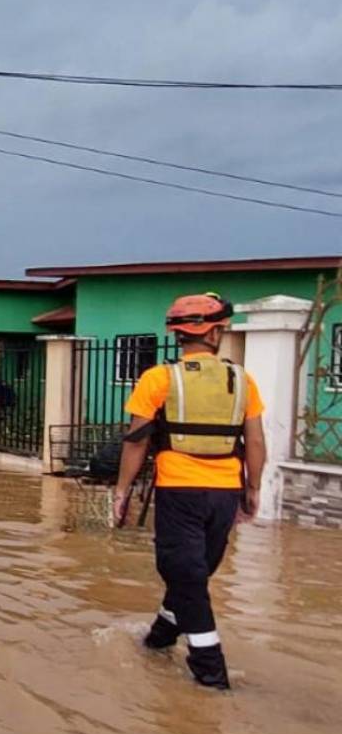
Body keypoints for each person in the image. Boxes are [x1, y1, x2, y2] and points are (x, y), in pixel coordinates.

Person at [113, 293, 266, 690]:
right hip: (225, 491)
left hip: (179, 490)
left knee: (186, 575)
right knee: (194, 575)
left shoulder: (159, 378)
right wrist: (253, 488)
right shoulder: (242, 379)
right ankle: (159, 639)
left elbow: (135, 441)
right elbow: (256, 442)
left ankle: (211, 674)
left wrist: (121, 492)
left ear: (178, 335)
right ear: (216, 332)